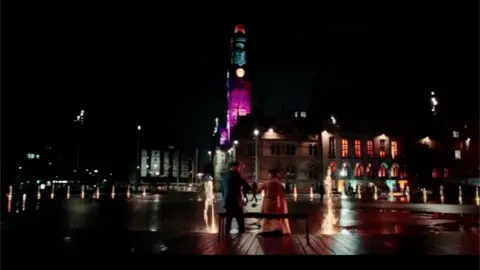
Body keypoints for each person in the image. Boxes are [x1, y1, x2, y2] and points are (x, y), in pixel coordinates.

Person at [257, 168, 291, 235]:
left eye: (269, 174)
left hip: (267, 203)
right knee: (275, 218)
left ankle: (266, 230)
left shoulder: (266, 183)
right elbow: (283, 195)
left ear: (270, 175)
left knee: (267, 218)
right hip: (276, 204)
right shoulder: (280, 185)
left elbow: (258, 191)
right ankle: (276, 229)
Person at [221, 161, 252, 234]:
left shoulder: (224, 176)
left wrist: (225, 198)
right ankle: (241, 236)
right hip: (236, 202)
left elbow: (222, 190)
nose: (238, 169)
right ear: (234, 167)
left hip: (227, 202)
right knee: (240, 221)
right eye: (237, 167)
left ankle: (226, 236)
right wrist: (244, 193)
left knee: (228, 221)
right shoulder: (236, 175)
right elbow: (247, 186)